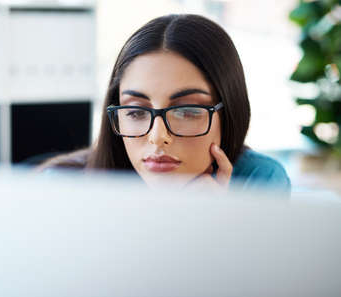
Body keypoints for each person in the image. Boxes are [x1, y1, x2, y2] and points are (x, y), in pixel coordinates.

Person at [40, 14, 290, 193]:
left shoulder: (257, 181)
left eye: (187, 111)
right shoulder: (62, 187)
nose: (158, 137)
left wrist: (213, 224)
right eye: (136, 112)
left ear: (230, 114)